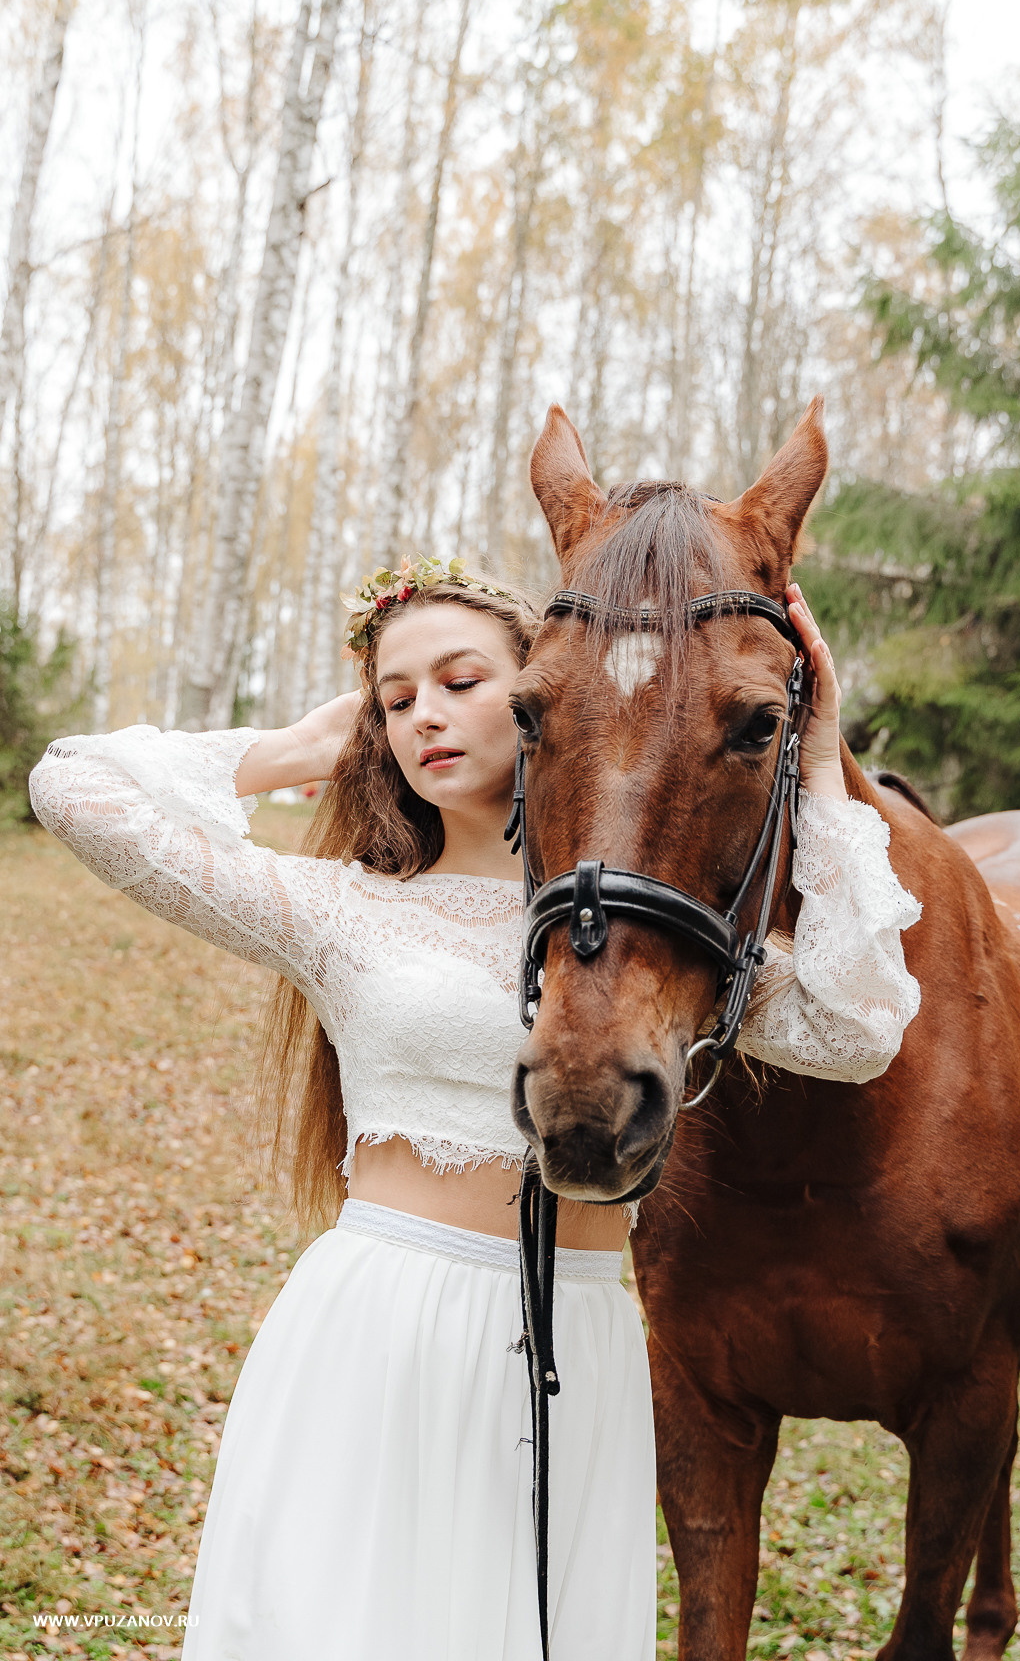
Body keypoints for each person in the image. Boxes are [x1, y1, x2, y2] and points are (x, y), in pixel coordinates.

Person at [27, 554, 922, 1661]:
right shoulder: (341, 912)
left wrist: (820, 759)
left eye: (459, 682)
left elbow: (860, 1027)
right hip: (381, 1332)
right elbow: (74, 790)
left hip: (576, 1336)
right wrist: (308, 749)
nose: (424, 719)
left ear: (547, 692)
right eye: (396, 701)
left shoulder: (653, 940)